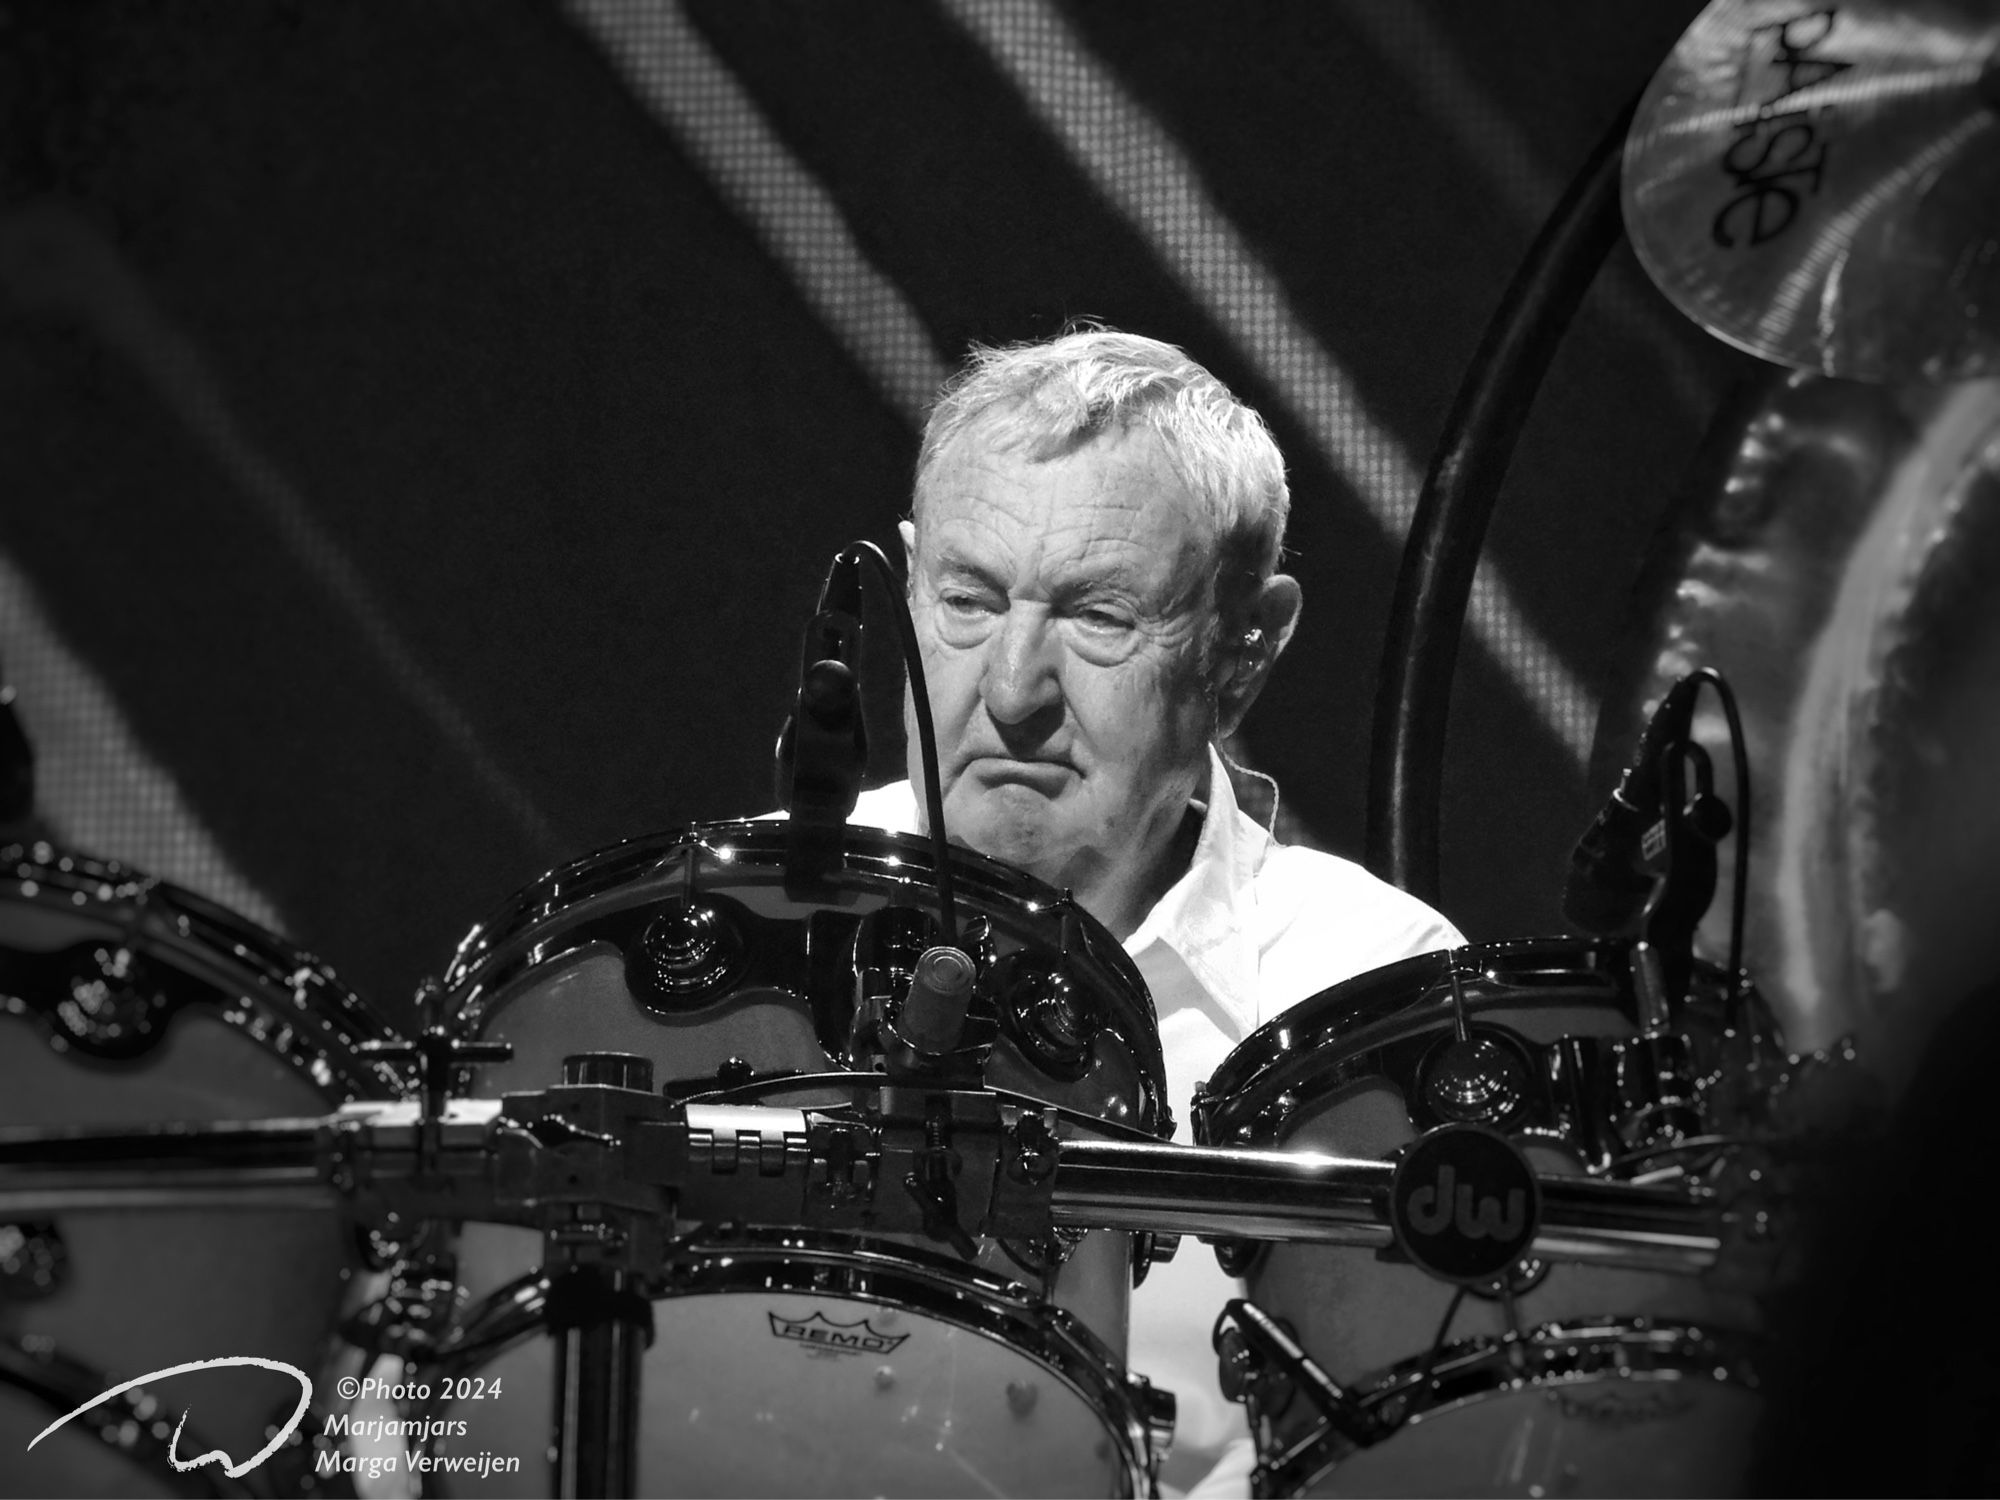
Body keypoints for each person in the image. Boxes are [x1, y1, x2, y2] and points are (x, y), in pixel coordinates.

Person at [843, 327, 1463, 1495]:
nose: (1014, 690)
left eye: (1098, 618)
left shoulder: (1373, 989)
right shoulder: (745, 930)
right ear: (910, 582)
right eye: (968, 600)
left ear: (1246, 646)